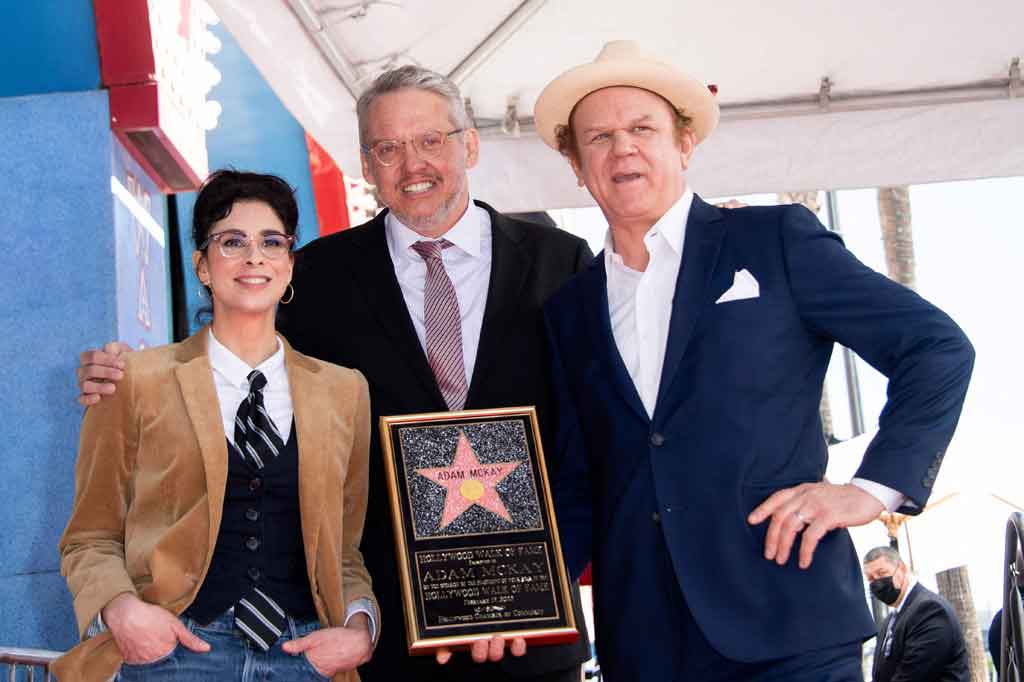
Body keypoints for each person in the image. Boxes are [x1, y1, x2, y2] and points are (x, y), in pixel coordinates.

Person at [76, 66, 592, 682]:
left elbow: (591, 436)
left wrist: (542, 581)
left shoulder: (563, 263)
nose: (413, 164)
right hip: (384, 642)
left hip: (528, 628)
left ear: (469, 144)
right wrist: (118, 370)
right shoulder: (315, 278)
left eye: (431, 140)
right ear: (367, 167)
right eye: (388, 149)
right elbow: (234, 368)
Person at [534, 41, 975, 681]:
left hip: (789, 629)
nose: (622, 148)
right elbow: (581, 483)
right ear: (577, 165)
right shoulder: (567, 310)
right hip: (645, 647)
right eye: (598, 136)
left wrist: (868, 491)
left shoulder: (774, 241)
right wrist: (515, 603)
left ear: (684, 145)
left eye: (641, 128)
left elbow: (936, 348)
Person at [56, 170, 377, 682]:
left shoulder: (344, 392)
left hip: (303, 658)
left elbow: (342, 548)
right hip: (172, 653)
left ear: (290, 264)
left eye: (272, 242)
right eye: (232, 242)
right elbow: (89, 537)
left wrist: (361, 628)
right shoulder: (135, 379)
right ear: (202, 265)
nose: (254, 257)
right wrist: (123, 612)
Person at [863, 546, 969, 681]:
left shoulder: (929, 610)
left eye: (882, 573)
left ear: (902, 569)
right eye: (871, 578)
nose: (877, 582)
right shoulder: (890, 621)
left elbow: (913, 674)